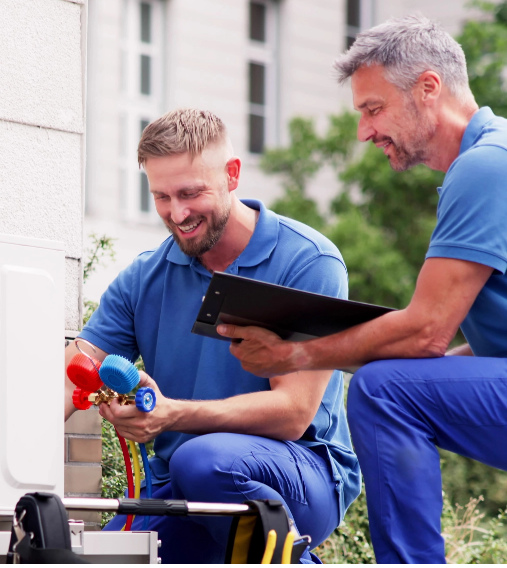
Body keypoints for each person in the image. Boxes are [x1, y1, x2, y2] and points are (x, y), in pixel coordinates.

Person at [217, 13, 507, 564]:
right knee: (400, 380)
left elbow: (425, 332)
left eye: (373, 109)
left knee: (384, 390)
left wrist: (295, 353)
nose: (364, 131)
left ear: (428, 89)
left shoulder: (485, 167)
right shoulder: (491, 158)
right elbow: (451, 346)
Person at [64, 108, 360, 563]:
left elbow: (293, 414)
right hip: (182, 485)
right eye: (161, 196)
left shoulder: (308, 262)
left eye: (190, 193)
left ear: (233, 175)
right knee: (107, 556)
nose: (176, 213)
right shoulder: (145, 278)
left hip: (301, 474)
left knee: (201, 460)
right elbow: (71, 375)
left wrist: (171, 415)